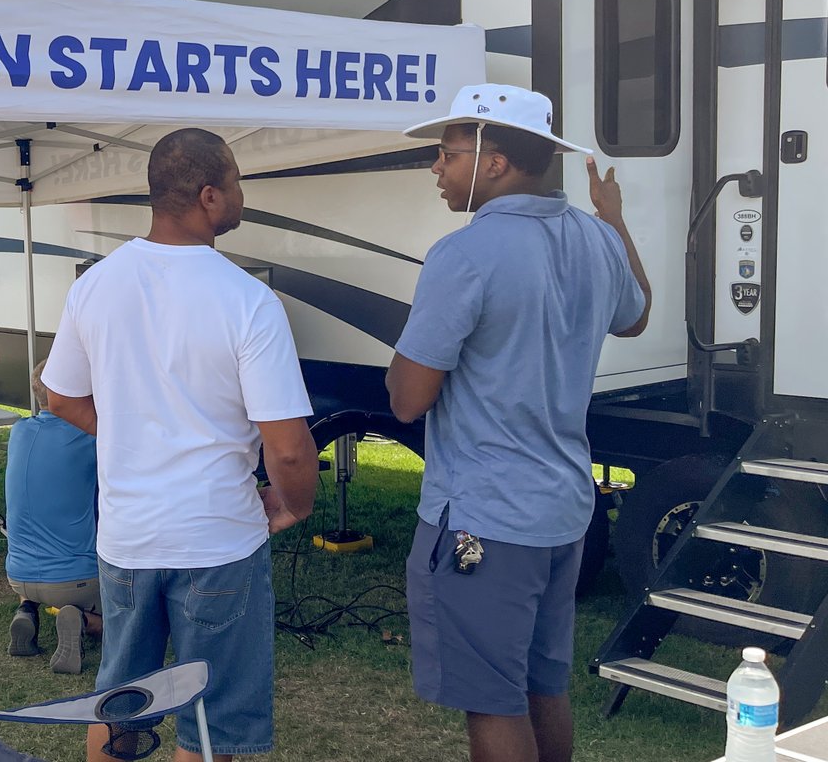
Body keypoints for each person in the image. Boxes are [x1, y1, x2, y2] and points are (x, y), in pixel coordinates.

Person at [386, 84, 651, 762]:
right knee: (541, 687)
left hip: (485, 519)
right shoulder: (594, 237)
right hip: (563, 510)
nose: (437, 170)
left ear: (494, 163)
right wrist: (613, 218)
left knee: (494, 701)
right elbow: (637, 312)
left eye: (446, 155)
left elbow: (408, 399)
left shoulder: (464, 254)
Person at [44, 127, 320, 762]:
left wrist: (129, 433)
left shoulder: (95, 285)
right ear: (208, 197)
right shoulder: (250, 301)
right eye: (236, 181)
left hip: (127, 537)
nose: (241, 193)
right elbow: (288, 449)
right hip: (219, 537)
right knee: (210, 721)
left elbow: (58, 395)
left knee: (117, 705)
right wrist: (296, 505)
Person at [4, 360, 101, 673]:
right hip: (76, 579)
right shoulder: (89, 437)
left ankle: (26, 611)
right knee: (130, 620)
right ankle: (82, 619)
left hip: (18, 574)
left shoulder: (19, 432)